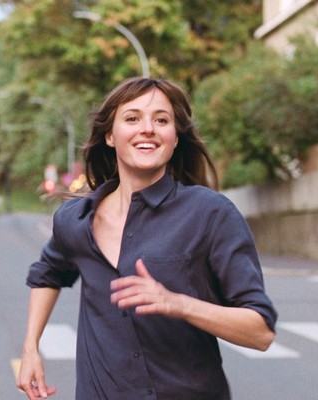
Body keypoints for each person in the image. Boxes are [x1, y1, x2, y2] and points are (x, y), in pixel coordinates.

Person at [16, 77, 277, 400]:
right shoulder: (75, 219)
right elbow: (47, 273)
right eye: (132, 118)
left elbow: (260, 332)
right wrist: (31, 348)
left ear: (175, 138)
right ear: (110, 135)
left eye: (162, 120)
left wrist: (178, 303)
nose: (148, 129)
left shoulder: (210, 214)